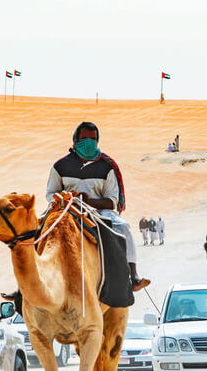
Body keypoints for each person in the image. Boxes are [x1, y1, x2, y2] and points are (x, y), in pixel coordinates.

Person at [47, 121, 149, 290]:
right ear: (75, 140)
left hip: (99, 212)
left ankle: (133, 275)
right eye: (84, 138)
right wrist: (67, 200)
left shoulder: (106, 166)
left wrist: (88, 202)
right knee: (37, 229)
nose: (89, 143)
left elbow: (112, 200)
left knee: (123, 227)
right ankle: (24, 287)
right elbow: (51, 193)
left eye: (93, 139)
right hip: (66, 209)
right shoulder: (60, 166)